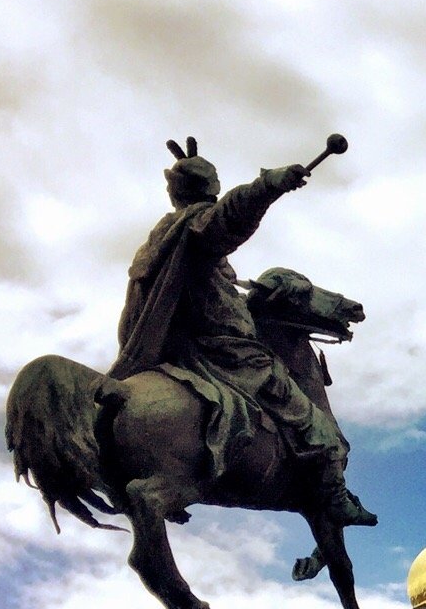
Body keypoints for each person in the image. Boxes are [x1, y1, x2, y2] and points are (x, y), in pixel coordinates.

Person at [112, 140, 374, 527]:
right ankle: (333, 498)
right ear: (210, 191)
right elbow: (230, 217)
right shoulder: (197, 225)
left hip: (178, 346)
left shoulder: (162, 237)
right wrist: (270, 185)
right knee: (313, 423)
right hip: (228, 351)